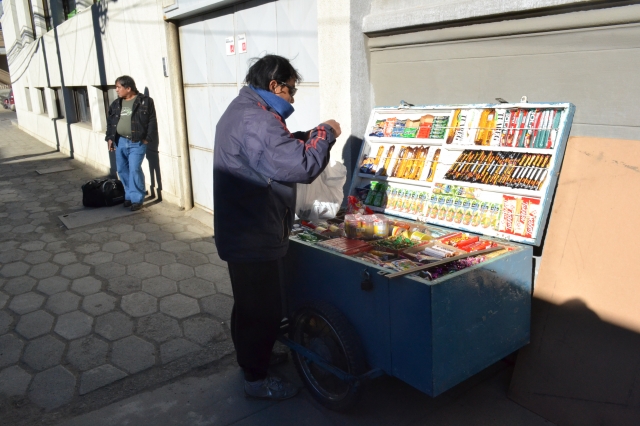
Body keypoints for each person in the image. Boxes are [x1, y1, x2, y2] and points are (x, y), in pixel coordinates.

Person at [213, 55, 342, 400]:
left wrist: (307, 135)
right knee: (263, 311)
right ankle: (256, 380)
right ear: (274, 86)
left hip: (241, 230)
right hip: (253, 234)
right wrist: (326, 132)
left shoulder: (244, 110)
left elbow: (274, 152)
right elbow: (300, 164)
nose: (293, 98)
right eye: (291, 91)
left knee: (248, 306)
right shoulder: (257, 121)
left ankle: (254, 359)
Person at [105, 76, 157, 211]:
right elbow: (111, 122)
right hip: (120, 141)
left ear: (128, 88)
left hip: (137, 141)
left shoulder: (145, 101)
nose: (116, 90)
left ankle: (136, 199)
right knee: (122, 170)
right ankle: (128, 195)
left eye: (118, 87)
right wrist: (110, 138)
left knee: (134, 169)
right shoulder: (116, 104)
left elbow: (152, 121)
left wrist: (147, 138)